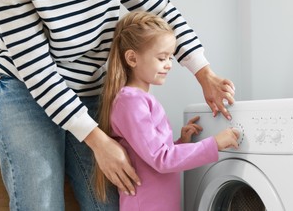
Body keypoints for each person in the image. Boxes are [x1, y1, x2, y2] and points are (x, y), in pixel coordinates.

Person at [0, 0, 236, 210]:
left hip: (89, 85)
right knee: (41, 204)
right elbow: (36, 68)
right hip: (27, 86)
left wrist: (203, 72)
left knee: (106, 203)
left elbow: (160, 11)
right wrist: (97, 141)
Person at [96, 11, 239, 210]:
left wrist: (180, 143)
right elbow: (162, 159)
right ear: (132, 58)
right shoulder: (130, 102)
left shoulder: (139, 99)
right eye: (162, 58)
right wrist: (215, 144)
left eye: (171, 58)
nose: (169, 65)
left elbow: (150, 157)